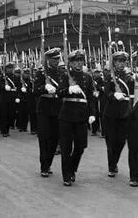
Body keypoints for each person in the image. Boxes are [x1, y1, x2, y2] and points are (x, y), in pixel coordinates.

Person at [59, 50, 96, 186]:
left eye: (81, 60)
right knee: (66, 147)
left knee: (80, 146)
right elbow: (59, 93)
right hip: (67, 115)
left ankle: (72, 168)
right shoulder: (65, 76)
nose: (79, 63)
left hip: (81, 115)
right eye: (75, 61)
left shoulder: (88, 77)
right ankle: (66, 176)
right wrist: (68, 90)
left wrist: (92, 113)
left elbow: (91, 98)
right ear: (71, 63)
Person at [35, 48, 67, 177]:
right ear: (48, 59)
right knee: (44, 139)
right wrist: (44, 88)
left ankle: (48, 164)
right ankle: (44, 166)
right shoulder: (42, 73)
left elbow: (63, 90)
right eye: (54, 59)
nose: (56, 61)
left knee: (54, 139)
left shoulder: (61, 74)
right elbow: (35, 90)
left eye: (58, 59)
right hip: (44, 109)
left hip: (57, 109)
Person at [103, 51, 132, 178]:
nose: (121, 64)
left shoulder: (130, 77)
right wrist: (113, 95)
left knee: (121, 141)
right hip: (111, 113)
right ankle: (111, 165)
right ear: (114, 62)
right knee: (111, 141)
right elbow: (106, 93)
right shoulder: (109, 76)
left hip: (125, 113)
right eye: (118, 61)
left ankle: (114, 161)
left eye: (123, 61)